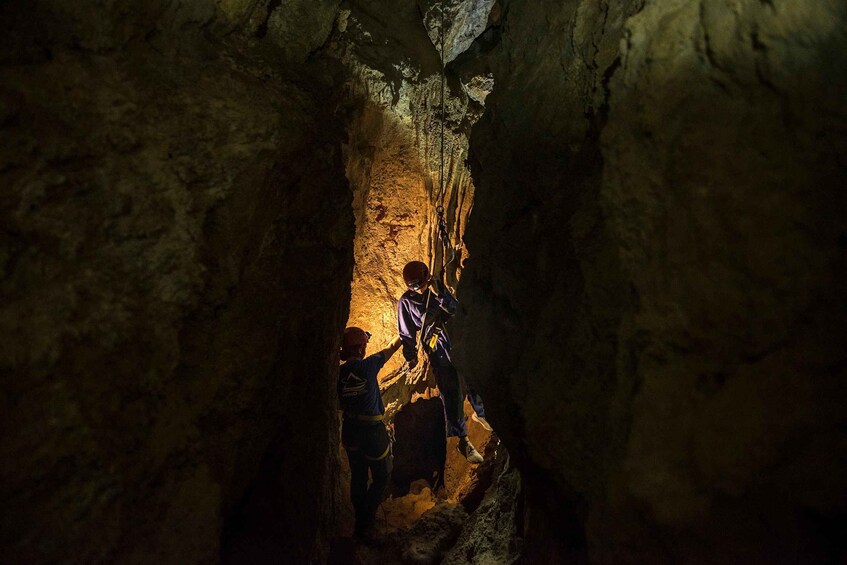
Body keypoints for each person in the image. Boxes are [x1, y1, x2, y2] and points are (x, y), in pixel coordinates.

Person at [397, 260, 492, 465]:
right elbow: (406, 331)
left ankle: (485, 414)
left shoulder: (438, 290)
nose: (420, 289)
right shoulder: (406, 302)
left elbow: (456, 310)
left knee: (474, 379)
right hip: (438, 353)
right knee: (451, 395)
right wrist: (410, 354)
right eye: (415, 286)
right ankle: (463, 440)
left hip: (457, 344)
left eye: (421, 284)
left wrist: (440, 293)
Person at [338, 327, 402, 543]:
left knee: (358, 476)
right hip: (372, 432)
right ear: (359, 347)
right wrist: (406, 331)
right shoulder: (368, 365)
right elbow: (392, 347)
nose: (366, 347)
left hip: (350, 430)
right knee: (383, 475)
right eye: (364, 344)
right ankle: (366, 522)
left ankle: (359, 523)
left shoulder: (338, 374)